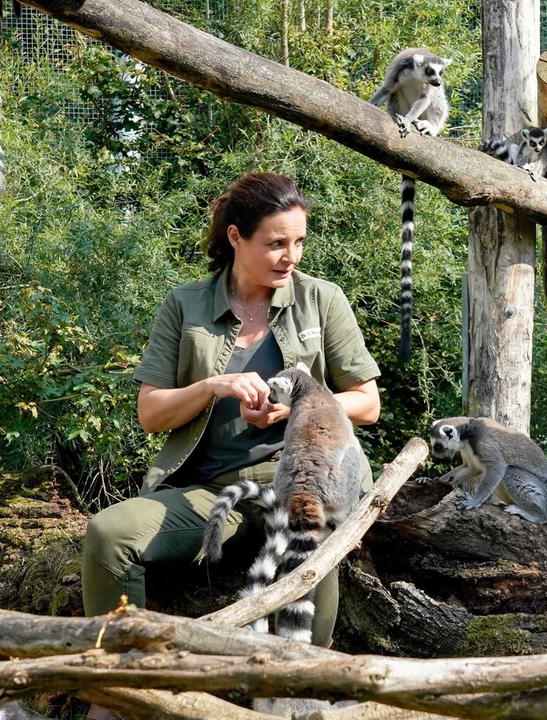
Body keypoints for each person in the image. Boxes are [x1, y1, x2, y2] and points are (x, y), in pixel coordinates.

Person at [81, 171, 381, 647]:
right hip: (210, 490)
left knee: (307, 627)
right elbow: (151, 414)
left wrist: (300, 409)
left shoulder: (321, 299)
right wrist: (213, 385)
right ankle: (118, 681)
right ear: (236, 237)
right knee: (109, 534)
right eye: (276, 243)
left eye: (299, 242)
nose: (291, 257)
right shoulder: (186, 305)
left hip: (302, 486)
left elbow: (367, 403)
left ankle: (297, 693)